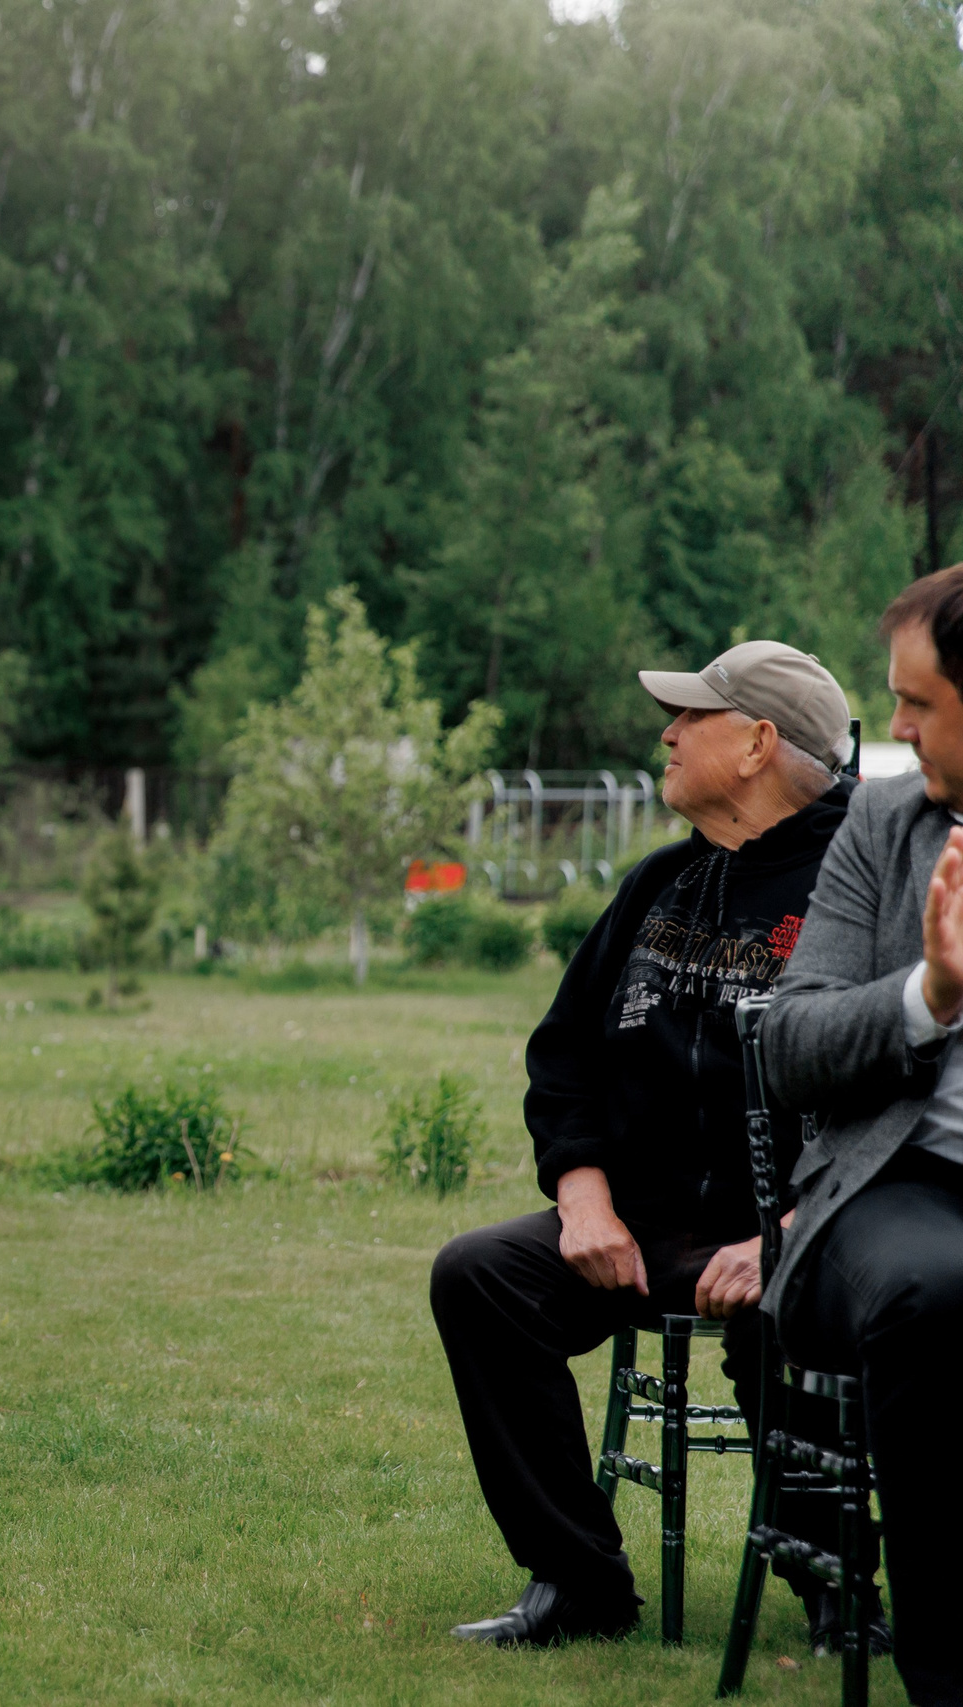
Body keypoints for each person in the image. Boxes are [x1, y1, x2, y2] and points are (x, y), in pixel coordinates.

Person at [429, 641, 858, 1648]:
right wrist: (582, 1198)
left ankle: (836, 1593)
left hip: (807, 1225)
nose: (667, 733)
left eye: (691, 716)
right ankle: (578, 1582)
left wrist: (789, 1231)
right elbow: (563, 1055)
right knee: (481, 1276)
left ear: (756, 744)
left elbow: (901, 1088)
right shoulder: (661, 882)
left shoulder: (861, 887)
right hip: (642, 1225)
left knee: (781, 1311)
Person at [761, 566, 963, 1706]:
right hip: (896, 1188)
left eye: (918, 701)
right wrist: (927, 995)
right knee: (939, 1292)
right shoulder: (884, 825)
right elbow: (788, 1043)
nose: (895, 727)